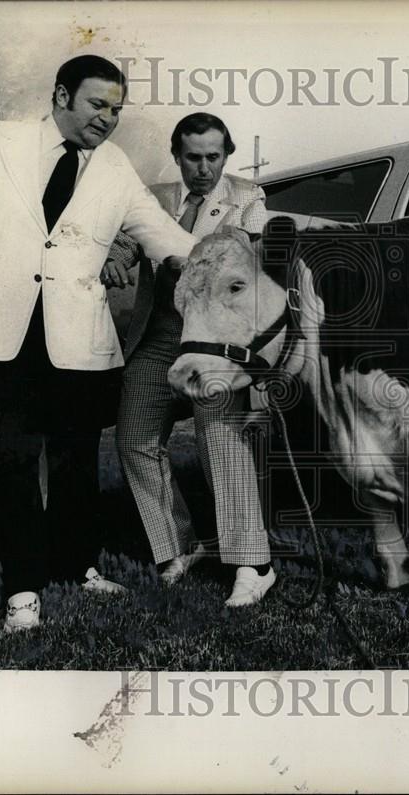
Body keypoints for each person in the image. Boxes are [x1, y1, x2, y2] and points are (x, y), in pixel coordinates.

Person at [0, 55, 197, 632]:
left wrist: (220, 269)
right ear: (61, 95)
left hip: (78, 339)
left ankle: (76, 565)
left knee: (76, 461)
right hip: (0, 334)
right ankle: (23, 592)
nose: (107, 118)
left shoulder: (115, 167)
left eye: (116, 109)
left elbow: (163, 235)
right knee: (11, 460)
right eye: (97, 104)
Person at [104, 112, 275, 607]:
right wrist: (116, 256)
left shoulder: (248, 198)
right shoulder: (155, 199)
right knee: (135, 437)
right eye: (193, 158)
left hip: (214, 341)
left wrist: (191, 254)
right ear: (177, 156)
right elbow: (126, 241)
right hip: (158, 339)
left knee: (220, 439)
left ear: (227, 155)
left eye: (214, 157)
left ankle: (252, 565)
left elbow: (250, 252)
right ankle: (179, 546)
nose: (204, 169)